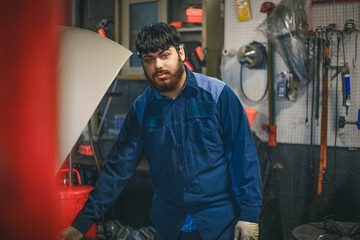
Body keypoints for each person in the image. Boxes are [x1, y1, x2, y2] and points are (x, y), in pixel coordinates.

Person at [59, 22, 262, 240]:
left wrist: (250, 214)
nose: (158, 65)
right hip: (170, 224)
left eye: (165, 55)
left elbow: (243, 156)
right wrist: (81, 223)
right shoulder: (142, 108)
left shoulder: (217, 94)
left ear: (181, 53)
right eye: (149, 59)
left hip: (219, 221)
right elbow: (118, 169)